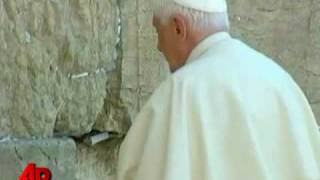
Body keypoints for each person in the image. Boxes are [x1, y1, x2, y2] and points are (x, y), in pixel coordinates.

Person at [117, 0, 320, 179]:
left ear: (179, 27)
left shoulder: (180, 92)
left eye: (157, 32)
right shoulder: (280, 81)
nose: (159, 46)